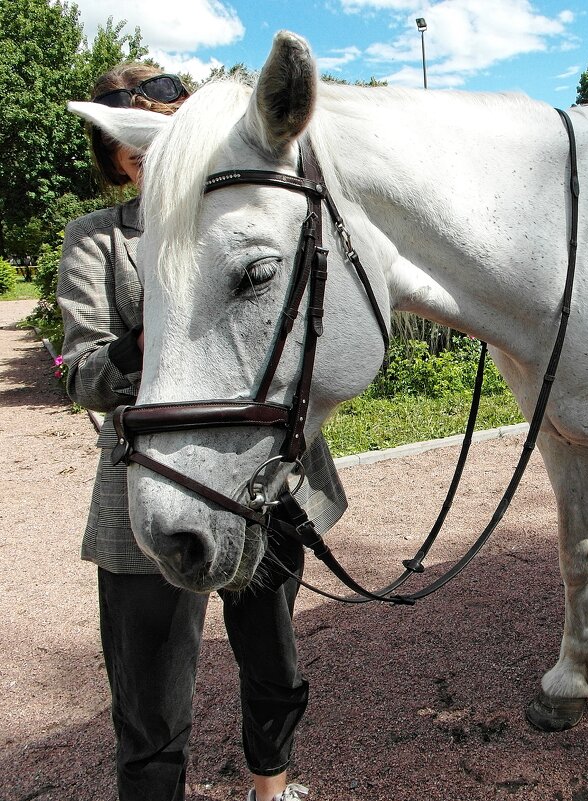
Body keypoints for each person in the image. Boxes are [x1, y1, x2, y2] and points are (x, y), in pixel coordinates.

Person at [57, 64, 346, 801]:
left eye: (169, 121)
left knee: (274, 663)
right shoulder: (98, 240)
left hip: (259, 475)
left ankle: (270, 788)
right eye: (133, 140)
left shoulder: (258, 209)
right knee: (149, 696)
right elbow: (80, 373)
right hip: (150, 484)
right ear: (115, 154)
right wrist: (145, 343)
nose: (151, 147)